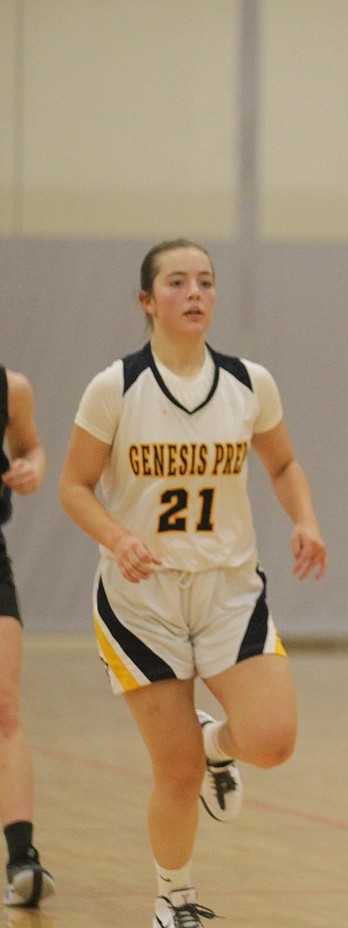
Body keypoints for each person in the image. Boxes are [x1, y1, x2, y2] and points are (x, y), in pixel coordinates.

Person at [59, 238, 328, 928]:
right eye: (177, 283)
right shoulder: (115, 387)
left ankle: (220, 748)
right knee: (173, 772)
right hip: (141, 599)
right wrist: (118, 538)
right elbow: (74, 485)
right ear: (147, 302)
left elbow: (286, 461)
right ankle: (173, 899)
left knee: (271, 740)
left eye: (205, 281)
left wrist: (306, 519)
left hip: (228, 589)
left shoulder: (248, 382)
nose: (195, 293)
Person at [1, 366, 53, 909]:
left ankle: (22, 857)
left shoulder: (12, 387)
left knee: (5, 708)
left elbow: (31, 447)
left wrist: (30, 469)